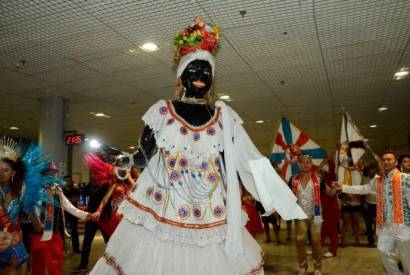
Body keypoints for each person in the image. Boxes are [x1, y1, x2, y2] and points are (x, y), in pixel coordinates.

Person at [89, 18, 306, 275]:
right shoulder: (162, 111)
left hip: (210, 214)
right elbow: (143, 157)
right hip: (162, 209)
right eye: (194, 69)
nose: (201, 76)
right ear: (181, 75)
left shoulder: (225, 117)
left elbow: (248, 160)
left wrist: (272, 197)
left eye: (206, 71)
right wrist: (121, 159)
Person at [335, 150, 410, 275]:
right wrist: (343, 187)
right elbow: (364, 189)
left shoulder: (406, 179)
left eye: (389, 159)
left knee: (407, 259)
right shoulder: (379, 181)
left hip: (404, 224)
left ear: (396, 162)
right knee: (382, 250)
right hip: (387, 224)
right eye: (384, 159)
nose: (386, 162)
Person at [28, 163, 95, 275]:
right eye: (50, 173)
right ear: (43, 174)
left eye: (54, 173)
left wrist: (85, 215)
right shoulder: (36, 188)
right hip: (39, 233)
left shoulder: (57, 188)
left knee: (56, 263)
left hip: (56, 231)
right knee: (38, 265)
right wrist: (38, 224)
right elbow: (32, 208)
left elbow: (67, 205)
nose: (53, 175)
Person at [290, 155, 324, 275]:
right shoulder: (293, 179)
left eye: (308, 162)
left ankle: (317, 268)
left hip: (316, 215)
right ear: (299, 164)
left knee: (316, 242)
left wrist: (335, 189)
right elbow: (287, 195)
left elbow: (328, 193)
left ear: (311, 164)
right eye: (303, 162)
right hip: (300, 216)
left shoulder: (319, 179)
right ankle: (303, 267)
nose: (305, 164)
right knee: (300, 242)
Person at [0, 137, 29, 275]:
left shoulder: (19, 192)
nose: (1, 174)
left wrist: (18, 233)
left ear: (13, 173)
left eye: (5, 170)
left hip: (15, 240)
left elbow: (19, 217)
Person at [319, 158, 339, 258]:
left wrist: (330, 161)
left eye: (322, 172)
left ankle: (333, 250)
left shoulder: (331, 180)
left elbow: (331, 193)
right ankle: (318, 246)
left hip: (332, 209)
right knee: (322, 230)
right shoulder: (321, 182)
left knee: (332, 230)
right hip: (325, 210)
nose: (320, 174)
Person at [63, 175, 81, 253]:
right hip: (64, 213)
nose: (68, 182)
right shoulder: (61, 191)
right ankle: (62, 248)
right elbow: (62, 201)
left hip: (73, 213)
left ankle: (76, 248)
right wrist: (71, 200)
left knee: (74, 231)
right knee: (63, 230)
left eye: (70, 180)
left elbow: (76, 199)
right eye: (67, 181)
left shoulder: (75, 190)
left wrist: (66, 200)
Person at [362, 164, 379, 247]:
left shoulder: (379, 179)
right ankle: (371, 241)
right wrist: (363, 202)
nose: (370, 173)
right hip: (368, 204)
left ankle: (378, 240)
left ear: (375, 171)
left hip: (378, 204)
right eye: (369, 171)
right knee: (368, 223)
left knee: (378, 223)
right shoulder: (365, 179)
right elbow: (362, 191)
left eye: (371, 171)